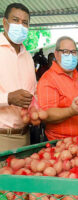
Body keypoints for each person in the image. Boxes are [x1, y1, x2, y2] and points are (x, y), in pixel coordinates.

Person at [37, 36, 78, 141]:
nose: (70, 56)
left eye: (73, 52)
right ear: (56, 54)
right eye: (65, 52)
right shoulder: (48, 79)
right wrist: (70, 111)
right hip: (61, 145)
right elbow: (46, 114)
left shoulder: (76, 76)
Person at [0, 3, 36, 151]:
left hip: (25, 137)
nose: (20, 26)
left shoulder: (28, 56)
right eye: (15, 20)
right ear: (4, 22)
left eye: (25, 23)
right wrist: (8, 98)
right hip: (2, 137)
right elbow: (10, 97)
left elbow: (34, 94)